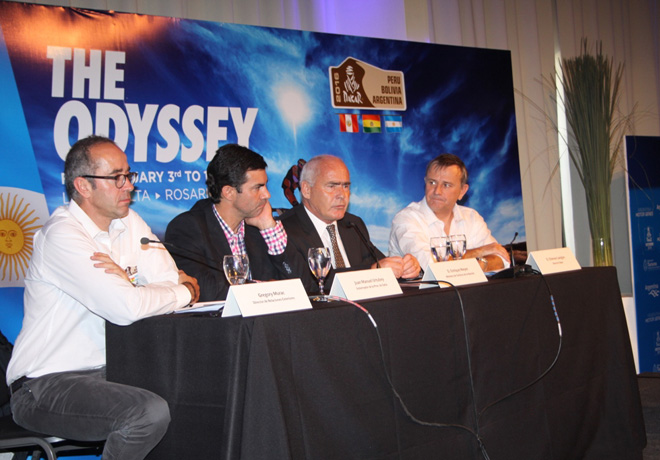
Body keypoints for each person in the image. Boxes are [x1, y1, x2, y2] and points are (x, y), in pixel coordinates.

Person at [6, 135, 200, 460]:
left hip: (114, 369)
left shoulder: (129, 222)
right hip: (45, 384)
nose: (129, 186)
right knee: (146, 413)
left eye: (128, 175)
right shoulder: (62, 235)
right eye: (116, 177)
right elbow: (128, 308)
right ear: (83, 185)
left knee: (197, 394)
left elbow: (166, 278)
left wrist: (129, 286)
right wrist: (185, 291)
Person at [165, 144, 305, 301]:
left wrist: (269, 227)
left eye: (265, 185)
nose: (267, 194)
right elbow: (205, 291)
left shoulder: (257, 227)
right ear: (229, 192)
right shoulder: (187, 228)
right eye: (258, 188)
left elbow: (301, 285)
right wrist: (266, 289)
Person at [279, 154, 420, 292]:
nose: (342, 195)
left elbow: (379, 264)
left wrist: (404, 267)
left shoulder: (353, 224)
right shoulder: (283, 231)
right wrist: (370, 272)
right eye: (331, 186)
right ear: (306, 190)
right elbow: (306, 284)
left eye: (346, 186)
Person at [388, 153, 510, 271]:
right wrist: (480, 252)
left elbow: (502, 259)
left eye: (446, 185)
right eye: (432, 182)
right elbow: (431, 265)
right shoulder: (406, 218)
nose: (437, 191)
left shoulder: (472, 217)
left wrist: (477, 265)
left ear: (462, 191)